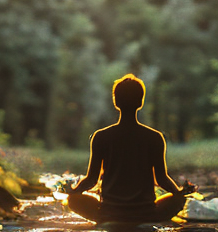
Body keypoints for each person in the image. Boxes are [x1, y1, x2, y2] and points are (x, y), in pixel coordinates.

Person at [67, 74, 189, 224]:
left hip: (109, 213)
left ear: (116, 101)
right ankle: (148, 218)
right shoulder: (155, 137)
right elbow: (161, 179)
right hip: (145, 214)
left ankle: (104, 219)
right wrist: (179, 192)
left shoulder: (101, 137)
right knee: (178, 200)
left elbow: (92, 179)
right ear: (140, 102)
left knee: (73, 200)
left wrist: (73, 191)